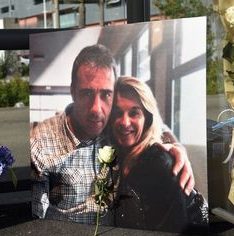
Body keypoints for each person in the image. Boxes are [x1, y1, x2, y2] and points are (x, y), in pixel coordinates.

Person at [30, 44, 195, 225]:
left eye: (106, 94)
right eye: (86, 93)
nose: (96, 109)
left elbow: (150, 124)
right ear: (72, 92)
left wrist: (175, 148)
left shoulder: (111, 125)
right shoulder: (40, 148)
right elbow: (34, 225)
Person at [110, 76, 209, 233]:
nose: (125, 122)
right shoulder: (115, 154)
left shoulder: (159, 164)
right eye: (117, 113)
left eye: (134, 113)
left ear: (147, 119)